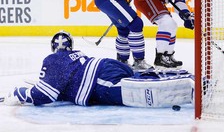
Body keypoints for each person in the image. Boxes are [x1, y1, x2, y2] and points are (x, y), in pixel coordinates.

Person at [3, 30, 194, 107]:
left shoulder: (52, 60)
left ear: (54, 48)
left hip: (99, 84)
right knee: (141, 76)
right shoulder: (75, 56)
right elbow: (61, 88)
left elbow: (44, 95)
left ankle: (187, 88)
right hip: (106, 64)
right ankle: (189, 77)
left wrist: (20, 93)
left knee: (138, 90)